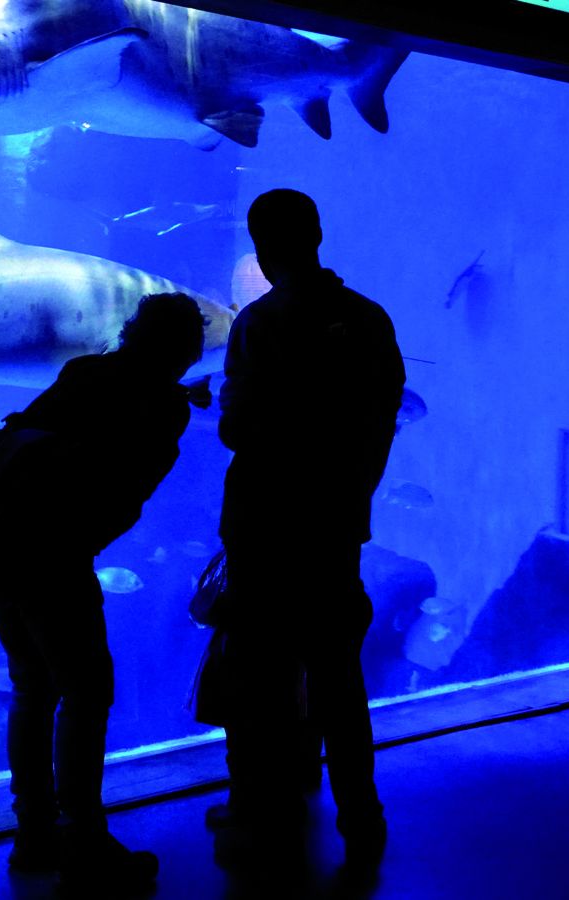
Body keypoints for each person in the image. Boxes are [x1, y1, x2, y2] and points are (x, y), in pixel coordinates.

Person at [0, 292, 209, 893]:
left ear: (129, 331)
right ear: (184, 350)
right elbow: (123, 482)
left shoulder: (84, 373)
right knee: (86, 692)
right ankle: (86, 841)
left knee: (32, 688)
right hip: (53, 556)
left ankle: (34, 834)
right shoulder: (163, 407)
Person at [210, 188, 405, 875]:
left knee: (254, 680)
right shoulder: (370, 320)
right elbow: (383, 421)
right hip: (335, 527)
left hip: (265, 529)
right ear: (319, 233)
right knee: (337, 681)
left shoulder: (259, 324)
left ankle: (252, 816)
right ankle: (362, 821)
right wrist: (351, 496)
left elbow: (238, 427)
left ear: (261, 252)